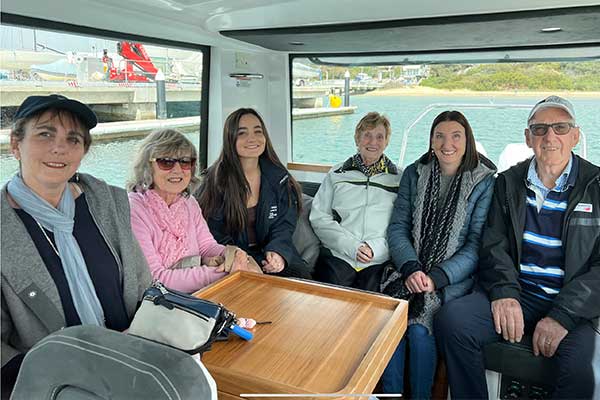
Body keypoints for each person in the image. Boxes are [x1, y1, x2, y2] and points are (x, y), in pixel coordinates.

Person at [435, 96, 600, 399]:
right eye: (539, 129)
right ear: (527, 137)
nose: (550, 137)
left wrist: (562, 315)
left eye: (560, 128)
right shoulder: (509, 182)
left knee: (582, 372)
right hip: (519, 294)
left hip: (573, 305)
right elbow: (493, 245)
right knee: (453, 321)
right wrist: (504, 292)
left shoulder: (596, 185)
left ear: (575, 135)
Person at [1, 94, 152, 398]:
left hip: (131, 367)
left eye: (73, 139)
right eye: (45, 134)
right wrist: (67, 371)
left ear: (83, 151)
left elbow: (143, 287)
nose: (60, 147)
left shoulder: (108, 204)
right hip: (52, 386)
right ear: (16, 145)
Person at [380, 111, 496, 398]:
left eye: (456, 136)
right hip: (407, 270)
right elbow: (398, 227)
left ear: (467, 140)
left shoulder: (483, 180)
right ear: (431, 140)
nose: (448, 144)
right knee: (390, 325)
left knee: (420, 333)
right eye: (440, 136)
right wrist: (411, 268)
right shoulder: (415, 173)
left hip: (450, 280)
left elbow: (475, 244)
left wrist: (435, 278)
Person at [127, 129, 256, 293]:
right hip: (164, 304)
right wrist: (224, 271)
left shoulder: (189, 203)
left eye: (185, 162)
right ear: (148, 166)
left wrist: (235, 255)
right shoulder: (135, 209)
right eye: (166, 162)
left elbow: (207, 247)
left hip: (201, 294)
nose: (177, 169)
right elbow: (155, 278)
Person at [195, 108, 311, 279]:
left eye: (258, 131)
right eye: (242, 133)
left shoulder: (279, 178)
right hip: (233, 256)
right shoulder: (215, 182)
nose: (252, 138)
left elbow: (284, 224)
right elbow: (213, 234)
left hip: (272, 251)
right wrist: (245, 259)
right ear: (230, 139)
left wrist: (277, 251)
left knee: (301, 278)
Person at [309, 112, 400, 291]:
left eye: (379, 136)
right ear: (357, 139)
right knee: (331, 302)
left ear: (386, 141)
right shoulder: (336, 175)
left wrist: (376, 249)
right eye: (367, 135)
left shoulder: (400, 179)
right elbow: (319, 218)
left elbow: (403, 225)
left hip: (379, 259)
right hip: (339, 255)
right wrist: (351, 246)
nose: (373, 142)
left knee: (373, 305)